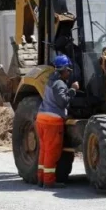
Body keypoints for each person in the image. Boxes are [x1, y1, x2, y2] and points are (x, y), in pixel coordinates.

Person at [36, 54, 79, 188]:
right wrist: (73, 90)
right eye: (69, 70)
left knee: (44, 150)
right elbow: (62, 102)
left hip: (41, 118)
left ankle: (41, 179)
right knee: (52, 152)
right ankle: (48, 182)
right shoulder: (59, 84)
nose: (70, 73)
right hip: (52, 121)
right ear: (64, 70)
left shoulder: (50, 80)